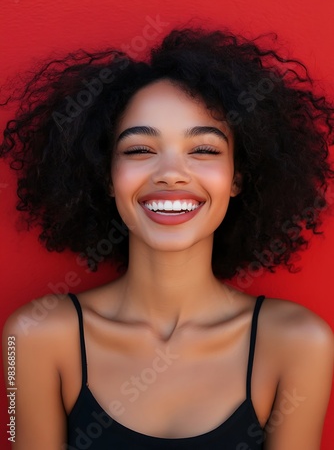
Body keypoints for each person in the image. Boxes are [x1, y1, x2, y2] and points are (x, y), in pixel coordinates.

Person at [1, 26, 334, 449]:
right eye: (140, 150)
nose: (171, 173)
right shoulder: (32, 337)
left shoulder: (298, 342)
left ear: (237, 178)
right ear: (107, 177)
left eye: (205, 150)